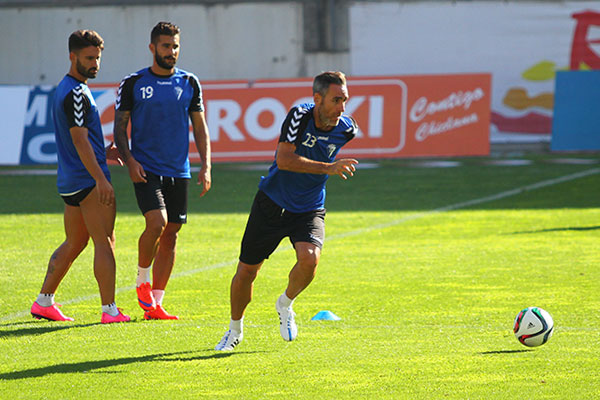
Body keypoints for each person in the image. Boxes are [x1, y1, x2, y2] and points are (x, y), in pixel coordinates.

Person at [215, 71, 359, 351]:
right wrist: (329, 168)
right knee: (246, 272)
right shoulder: (299, 116)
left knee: (310, 259)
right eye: (336, 100)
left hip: (309, 207)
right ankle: (234, 330)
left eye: (345, 100)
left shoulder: (347, 129)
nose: (342, 108)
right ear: (317, 98)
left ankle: (285, 304)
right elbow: (284, 160)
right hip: (272, 203)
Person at [30, 30, 130, 324]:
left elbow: (82, 139)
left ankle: (44, 301)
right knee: (105, 241)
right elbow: (78, 139)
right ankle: (110, 310)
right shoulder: (75, 92)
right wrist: (101, 177)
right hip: (87, 181)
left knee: (75, 242)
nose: (95, 63)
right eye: (89, 58)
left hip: (71, 180)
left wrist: (104, 152)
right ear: (72, 56)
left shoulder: (67, 87)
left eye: (97, 57)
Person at [113, 21, 212, 320]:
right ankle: (142, 281)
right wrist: (130, 161)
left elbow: (200, 128)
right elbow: (119, 127)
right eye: (166, 46)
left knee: (172, 234)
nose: (172, 51)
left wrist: (206, 165)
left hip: (178, 170)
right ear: (153, 47)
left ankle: (155, 303)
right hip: (146, 168)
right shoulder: (133, 83)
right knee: (157, 223)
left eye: (176, 46)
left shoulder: (189, 83)